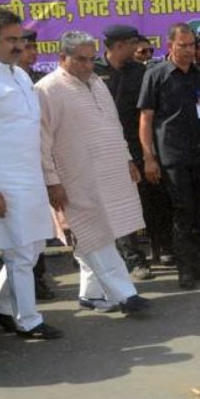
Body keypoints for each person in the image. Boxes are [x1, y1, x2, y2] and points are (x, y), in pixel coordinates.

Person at [36, 31, 150, 314]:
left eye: (91, 59)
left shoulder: (97, 82)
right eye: (80, 60)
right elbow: (41, 142)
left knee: (96, 234)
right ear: (62, 58)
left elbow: (113, 125)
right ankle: (126, 295)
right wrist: (52, 182)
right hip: (74, 178)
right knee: (95, 233)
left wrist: (127, 159)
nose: (88, 66)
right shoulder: (46, 90)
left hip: (109, 173)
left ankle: (91, 295)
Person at [0, 8, 62, 340]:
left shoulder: (20, 74)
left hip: (31, 177)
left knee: (34, 245)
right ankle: (28, 319)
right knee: (21, 252)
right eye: (10, 40)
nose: (19, 46)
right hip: (3, 181)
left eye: (20, 38)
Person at [138, 23, 200, 290]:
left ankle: (199, 264)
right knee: (182, 212)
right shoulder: (156, 75)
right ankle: (185, 268)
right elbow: (146, 118)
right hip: (171, 157)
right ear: (171, 46)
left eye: (192, 45)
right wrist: (149, 157)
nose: (189, 50)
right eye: (183, 45)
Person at [94, 24, 159, 281]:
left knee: (143, 200)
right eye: (133, 44)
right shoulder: (93, 71)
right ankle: (132, 259)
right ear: (120, 45)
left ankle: (159, 249)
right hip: (104, 148)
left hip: (136, 144)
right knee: (117, 205)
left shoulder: (140, 72)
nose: (137, 48)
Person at [16, 27, 55, 300]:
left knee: (40, 225)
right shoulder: (5, 83)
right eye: (27, 48)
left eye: (34, 48)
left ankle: (37, 277)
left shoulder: (40, 82)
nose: (32, 54)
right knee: (20, 231)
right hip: (16, 166)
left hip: (41, 160)